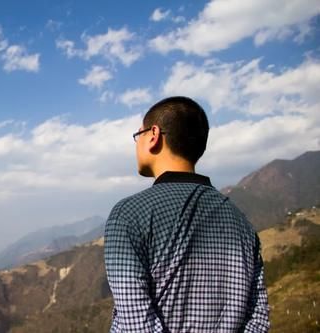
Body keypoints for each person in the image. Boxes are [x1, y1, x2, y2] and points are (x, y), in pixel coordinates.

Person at [104, 96, 270, 332]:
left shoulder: (128, 214)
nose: (136, 144)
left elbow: (136, 325)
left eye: (137, 136)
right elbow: (258, 319)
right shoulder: (241, 222)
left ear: (153, 135)